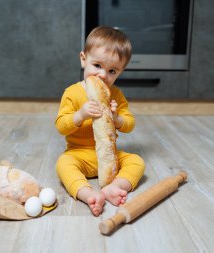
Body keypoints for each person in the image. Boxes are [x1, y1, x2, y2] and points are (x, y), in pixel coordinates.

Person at [55, 26, 145, 216]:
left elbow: (130, 123)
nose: (103, 75)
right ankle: (87, 194)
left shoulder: (116, 95)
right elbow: (61, 126)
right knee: (63, 163)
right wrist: (80, 115)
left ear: (120, 71)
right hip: (80, 154)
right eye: (97, 66)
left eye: (112, 70)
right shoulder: (72, 93)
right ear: (83, 59)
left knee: (137, 161)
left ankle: (115, 187)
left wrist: (117, 119)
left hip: (109, 157)